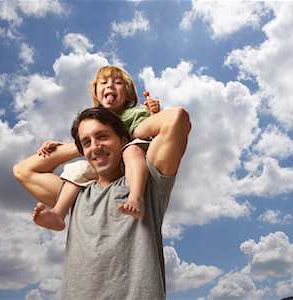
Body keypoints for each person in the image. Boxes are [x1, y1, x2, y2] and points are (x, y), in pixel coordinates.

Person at [14, 106, 190, 298]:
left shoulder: (147, 183)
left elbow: (176, 118)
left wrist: (129, 132)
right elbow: (22, 170)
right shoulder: (75, 194)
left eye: (103, 136)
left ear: (123, 141)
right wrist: (78, 147)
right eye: (86, 142)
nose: (95, 146)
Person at [34, 65, 160, 230]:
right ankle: (58, 213)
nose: (110, 85)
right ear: (96, 94)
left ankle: (136, 198)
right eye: (104, 83)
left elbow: (155, 133)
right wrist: (57, 145)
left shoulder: (137, 112)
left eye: (117, 83)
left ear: (128, 94)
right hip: (107, 162)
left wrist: (155, 113)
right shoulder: (96, 119)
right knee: (78, 168)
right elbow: (87, 143)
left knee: (131, 150)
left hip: (132, 159)